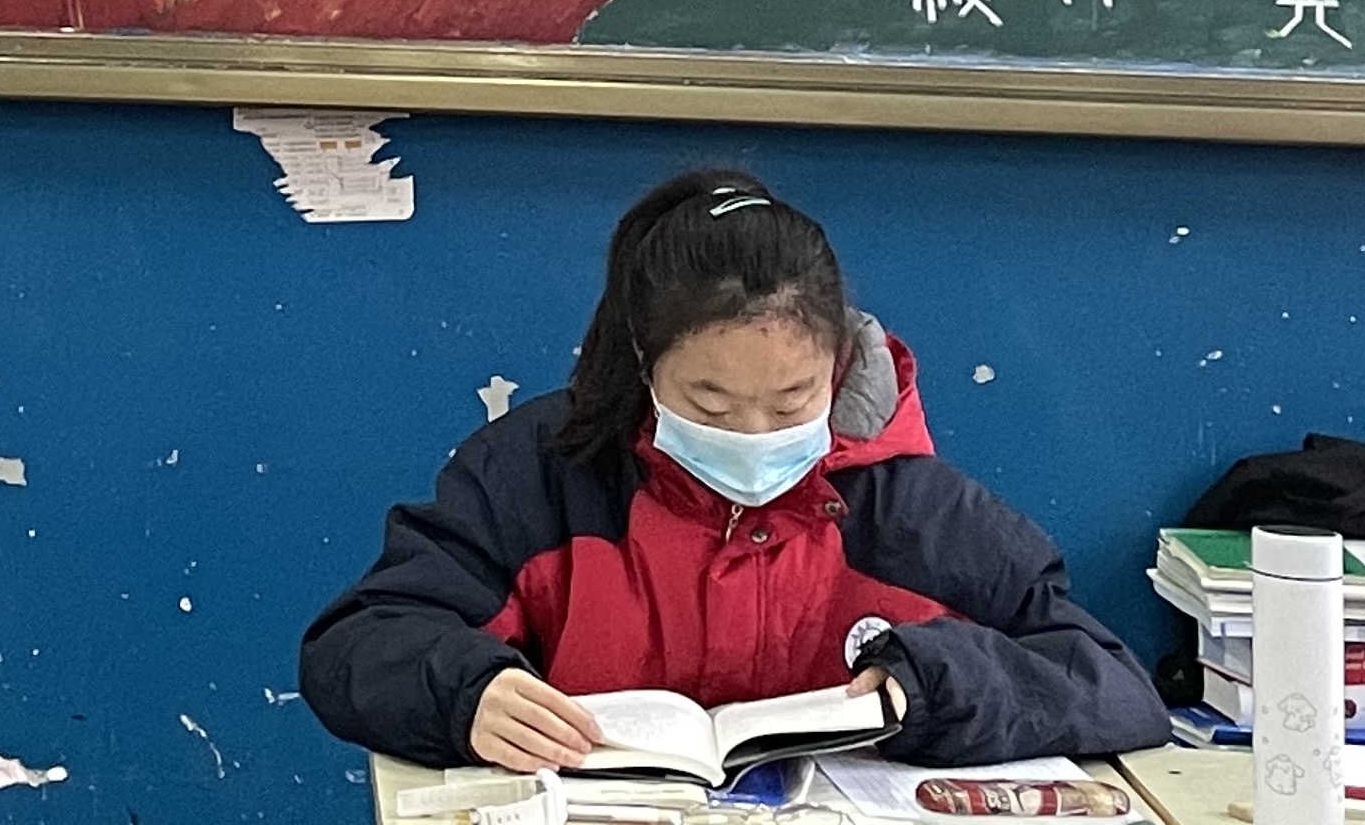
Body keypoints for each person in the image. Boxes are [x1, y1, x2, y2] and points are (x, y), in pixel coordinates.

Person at [302, 169, 1168, 775]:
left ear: (838, 366)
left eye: (792, 402)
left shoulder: (914, 510)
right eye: (710, 406)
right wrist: (467, 691)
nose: (754, 435)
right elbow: (359, 643)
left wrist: (937, 686)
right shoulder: (538, 474)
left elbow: (1112, 686)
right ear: (644, 361)